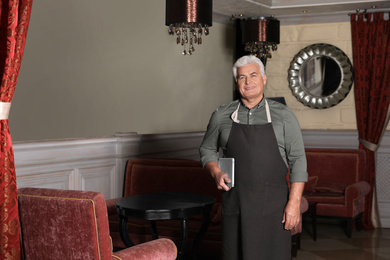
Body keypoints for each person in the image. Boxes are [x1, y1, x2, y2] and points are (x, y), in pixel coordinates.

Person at [199, 55, 308, 260]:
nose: (248, 82)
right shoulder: (221, 115)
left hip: (273, 206)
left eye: (253, 75)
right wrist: (215, 172)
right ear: (236, 82)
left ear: (264, 79)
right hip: (235, 204)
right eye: (242, 77)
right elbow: (206, 149)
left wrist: (293, 204)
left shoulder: (284, 115)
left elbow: (299, 161)